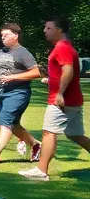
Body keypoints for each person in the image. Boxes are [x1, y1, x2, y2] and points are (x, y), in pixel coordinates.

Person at [21, 17, 90, 180]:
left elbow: (68, 71)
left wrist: (60, 93)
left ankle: (41, 170)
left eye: (48, 28)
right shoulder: (65, 47)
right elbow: (64, 73)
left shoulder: (62, 47)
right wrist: (51, 80)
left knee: (49, 132)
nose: (44, 31)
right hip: (72, 99)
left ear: (59, 30)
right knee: (75, 134)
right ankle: (41, 169)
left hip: (61, 100)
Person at [0, 23, 42, 165]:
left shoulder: (23, 53)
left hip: (17, 93)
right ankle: (36, 145)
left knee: (5, 122)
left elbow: (36, 72)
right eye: (2, 35)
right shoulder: (1, 52)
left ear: (16, 36)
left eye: (6, 35)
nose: (3, 37)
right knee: (14, 125)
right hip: (1, 93)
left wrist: (13, 77)